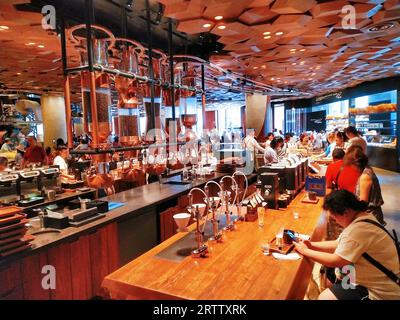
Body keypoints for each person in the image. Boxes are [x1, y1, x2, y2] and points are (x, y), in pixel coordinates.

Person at [294, 190, 400, 300]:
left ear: (346, 212)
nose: (334, 220)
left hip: (379, 291)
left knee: (324, 297)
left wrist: (305, 251)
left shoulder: (357, 230)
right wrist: (311, 245)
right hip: (371, 276)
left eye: (335, 217)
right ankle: (338, 289)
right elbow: (338, 244)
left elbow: (336, 260)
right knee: (333, 273)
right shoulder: (363, 217)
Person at [345, 146, 385, 225]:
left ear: (355, 163)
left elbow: (363, 204)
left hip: (371, 217)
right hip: (370, 215)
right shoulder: (366, 169)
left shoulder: (365, 176)